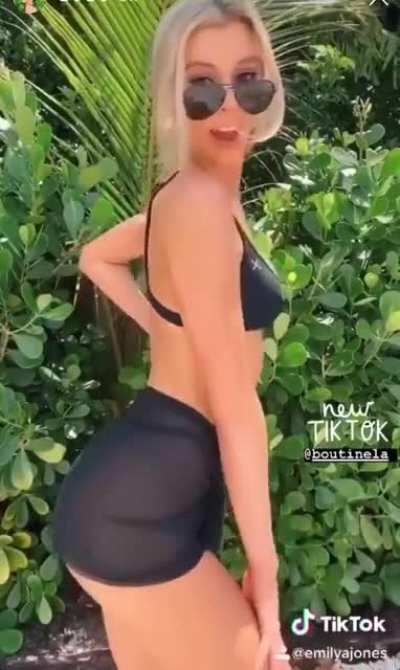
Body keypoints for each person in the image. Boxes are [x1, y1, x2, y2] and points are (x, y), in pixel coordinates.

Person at [52, 1, 290, 669]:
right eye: (201, 86)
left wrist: (164, 324)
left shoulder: (190, 198)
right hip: (140, 511)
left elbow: (97, 256)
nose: (229, 105)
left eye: (248, 80)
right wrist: (267, 572)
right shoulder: (198, 207)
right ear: (171, 94)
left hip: (148, 493)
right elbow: (235, 408)